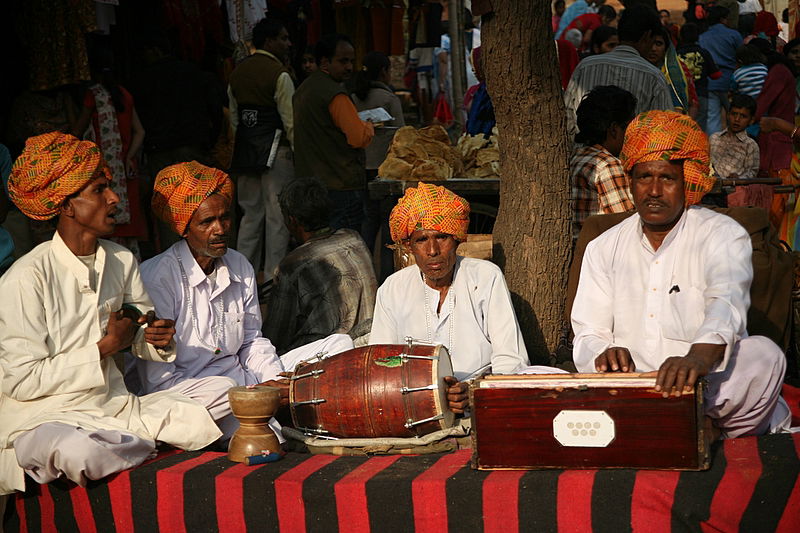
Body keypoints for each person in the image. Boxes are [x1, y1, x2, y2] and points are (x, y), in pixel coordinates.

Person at [0, 133, 222, 495]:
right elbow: (21, 382)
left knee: (223, 392)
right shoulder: (25, 278)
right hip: (45, 418)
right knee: (77, 452)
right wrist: (104, 348)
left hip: (114, 407)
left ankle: (131, 444)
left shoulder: (121, 260)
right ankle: (138, 444)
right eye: (100, 190)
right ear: (67, 206)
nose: (114, 198)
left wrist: (155, 340)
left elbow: (142, 333)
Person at [571, 110, 791, 439]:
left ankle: (700, 425)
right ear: (630, 182)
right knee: (531, 376)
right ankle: (682, 428)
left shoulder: (721, 234)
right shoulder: (603, 247)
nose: (654, 190)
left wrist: (696, 360)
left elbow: (725, 307)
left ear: (687, 182)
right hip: (633, 389)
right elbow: (588, 331)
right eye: (644, 177)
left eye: (667, 178)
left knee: (764, 356)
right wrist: (602, 355)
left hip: (704, 386)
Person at [135, 162, 354, 439]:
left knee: (341, 345)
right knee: (259, 423)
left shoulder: (238, 264)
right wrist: (255, 394)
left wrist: (273, 381)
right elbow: (158, 382)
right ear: (184, 229)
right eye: (207, 222)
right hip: (195, 396)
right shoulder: (157, 277)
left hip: (246, 381)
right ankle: (282, 413)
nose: (220, 229)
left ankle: (277, 407)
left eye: (224, 218)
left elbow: (251, 341)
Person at [369, 183, 530, 413]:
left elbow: (511, 359)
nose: (432, 250)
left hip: (481, 404)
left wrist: (474, 392)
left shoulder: (485, 277)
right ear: (409, 246)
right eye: (421, 240)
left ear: (456, 239)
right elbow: (381, 364)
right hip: (415, 409)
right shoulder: (392, 289)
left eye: (442, 237)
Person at [266, 178, 377, 354]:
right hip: (369, 340)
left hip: (328, 355)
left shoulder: (292, 265)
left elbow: (275, 337)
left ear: (292, 220)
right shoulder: (354, 238)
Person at [228, 18, 295, 278]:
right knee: (277, 218)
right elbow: (290, 122)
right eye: (283, 38)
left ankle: (241, 277)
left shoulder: (237, 73)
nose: (288, 44)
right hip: (278, 151)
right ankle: (272, 281)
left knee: (250, 216)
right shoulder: (279, 74)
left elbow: (235, 121)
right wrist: (297, 154)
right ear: (269, 41)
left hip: (246, 151)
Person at [72, 45, 148, 258]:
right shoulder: (124, 95)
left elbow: (78, 130)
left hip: (104, 170)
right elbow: (140, 132)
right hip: (125, 170)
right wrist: (128, 157)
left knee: (106, 217)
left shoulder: (93, 95)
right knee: (127, 222)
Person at [293, 34, 374, 232]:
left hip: (311, 186)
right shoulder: (335, 94)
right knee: (344, 244)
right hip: (340, 185)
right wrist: (369, 127)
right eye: (343, 61)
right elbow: (358, 138)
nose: (349, 67)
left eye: (351, 61)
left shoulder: (303, 89)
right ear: (325, 62)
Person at [564, 5, 673, 137]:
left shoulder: (585, 66)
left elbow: (567, 116)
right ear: (647, 36)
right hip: (633, 149)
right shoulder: (654, 77)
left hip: (583, 148)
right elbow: (663, 131)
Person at [570, 85, 637, 238]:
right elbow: (628, 227)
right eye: (630, 127)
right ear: (614, 129)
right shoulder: (607, 165)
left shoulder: (575, 156)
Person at [699, 6, 743, 134]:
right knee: (737, 117)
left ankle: (713, 145)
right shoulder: (734, 35)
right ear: (723, 19)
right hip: (731, 82)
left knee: (713, 118)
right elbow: (742, 55)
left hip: (710, 82)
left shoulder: (702, 37)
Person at [677, 23, 722, 133]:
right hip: (700, 94)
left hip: (680, 97)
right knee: (699, 128)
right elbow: (715, 75)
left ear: (681, 36)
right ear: (698, 36)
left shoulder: (675, 55)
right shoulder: (703, 53)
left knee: (680, 128)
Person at [647, 27, 699, 118]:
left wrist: (686, 123)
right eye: (649, 43)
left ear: (666, 48)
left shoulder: (680, 69)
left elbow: (693, 103)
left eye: (658, 44)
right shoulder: (637, 70)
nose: (653, 49)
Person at [709, 93, 759, 179]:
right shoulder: (714, 138)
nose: (737, 119)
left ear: (751, 120)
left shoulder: (751, 145)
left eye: (743, 116)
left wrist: (739, 178)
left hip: (736, 186)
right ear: (728, 115)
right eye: (734, 114)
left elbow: (752, 173)